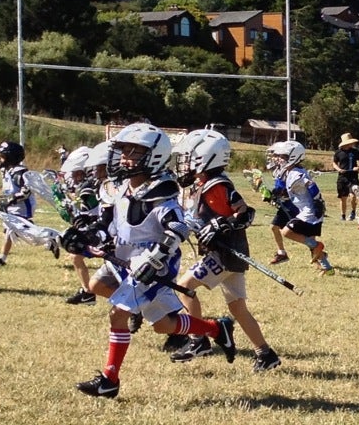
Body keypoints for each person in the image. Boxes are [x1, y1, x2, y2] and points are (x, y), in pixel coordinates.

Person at [68, 122, 235, 398]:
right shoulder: (121, 189)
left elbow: (177, 230)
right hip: (124, 260)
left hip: (150, 266)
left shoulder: (161, 193)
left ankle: (109, 380)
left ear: (154, 156)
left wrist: (154, 260)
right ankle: (216, 328)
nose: (124, 157)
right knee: (161, 324)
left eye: (134, 152)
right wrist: (86, 238)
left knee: (117, 315)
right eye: (124, 150)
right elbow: (106, 224)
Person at [168, 129, 280, 371]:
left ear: (206, 157)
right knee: (237, 308)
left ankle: (198, 340)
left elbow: (245, 213)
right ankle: (265, 353)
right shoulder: (205, 184)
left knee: (184, 287)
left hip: (224, 255)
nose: (186, 163)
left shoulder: (217, 185)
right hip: (229, 256)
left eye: (191, 157)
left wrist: (221, 224)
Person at [262, 140, 333, 273]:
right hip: (305, 211)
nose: (280, 160)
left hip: (309, 212)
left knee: (287, 232)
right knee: (307, 237)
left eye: (284, 157)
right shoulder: (290, 172)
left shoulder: (295, 172)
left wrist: (318, 201)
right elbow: (289, 189)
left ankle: (317, 246)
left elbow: (310, 184)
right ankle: (327, 268)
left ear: (293, 157)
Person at [57, 141, 112, 304]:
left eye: (78, 174)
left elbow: (110, 215)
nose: (75, 178)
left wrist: (89, 222)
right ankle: (88, 293)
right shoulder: (99, 186)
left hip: (109, 234)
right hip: (100, 231)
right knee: (75, 256)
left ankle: (136, 306)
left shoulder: (105, 188)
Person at [0, 139, 48, 267]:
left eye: (2, 156)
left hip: (22, 206)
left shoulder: (19, 172)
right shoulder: (6, 170)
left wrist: (10, 199)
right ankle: (2, 258)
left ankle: (50, 240)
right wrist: (3, 200)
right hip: (14, 206)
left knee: (19, 230)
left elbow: (26, 192)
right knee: (9, 230)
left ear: (10, 157)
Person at [332, 133, 359, 221]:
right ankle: (343, 215)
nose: (351, 144)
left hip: (353, 178)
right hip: (342, 178)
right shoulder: (338, 152)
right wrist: (339, 169)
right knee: (343, 198)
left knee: (353, 196)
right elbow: (334, 163)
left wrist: (358, 168)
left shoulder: (355, 152)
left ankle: (353, 213)